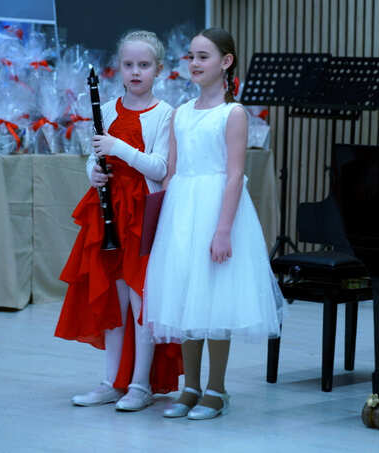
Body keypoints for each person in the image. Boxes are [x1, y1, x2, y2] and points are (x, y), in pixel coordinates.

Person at [144, 27, 284, 420]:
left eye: (203, 56)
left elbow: (235, 175)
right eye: (191, 56)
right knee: (186, 298)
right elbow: (172, 171)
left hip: (218, 212)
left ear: (226, 62)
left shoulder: (232, 113)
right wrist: (165, 220)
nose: (194, 63)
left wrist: (223, 230)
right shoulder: (181, 113)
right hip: (182, 213)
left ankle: (217, 389)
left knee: (216, 301)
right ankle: (190, 386)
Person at [55, 30, 181, 411]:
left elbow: (160, 168)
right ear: (119, 68)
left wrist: (119, 148)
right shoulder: (107, 109)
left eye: (144, 65)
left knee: (141, 298)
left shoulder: (165, 114)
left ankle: (140, 384)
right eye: (129, 64)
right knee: (114, 296)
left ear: (158, 69)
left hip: (142, 212)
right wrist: (93, 173)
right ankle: (111, 382)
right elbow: (94, 157)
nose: (135, 72)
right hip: (108, 210)